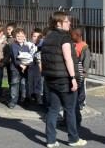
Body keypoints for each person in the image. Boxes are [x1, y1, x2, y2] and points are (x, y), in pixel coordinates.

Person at [41, 11, 87, 147]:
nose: (70, 23)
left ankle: (50, 140)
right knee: (70, 110)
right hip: (64, 79)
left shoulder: (48, 37)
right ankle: (73, 139)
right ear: (59, 23)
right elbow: (68, 58)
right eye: (67, 21)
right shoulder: (64, 38)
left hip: (51, 79)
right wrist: (73, 78)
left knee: (53, 110)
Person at [8, 28, 30, 109]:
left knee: (24, 84)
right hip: (15, 68)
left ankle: (23, 99)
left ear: (25, 37)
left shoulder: (27, 45)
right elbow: (15, 57)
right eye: (18, 36)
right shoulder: (13, 45)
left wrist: (26, 65)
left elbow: (29, 56)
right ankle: (13, 100)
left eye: (22, 36)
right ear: (14, 37)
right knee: (14, 84)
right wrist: (21, 65)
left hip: (25, 68)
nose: (20, 38)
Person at [71, 27, 91, 110]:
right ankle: (74, 102)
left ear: (77, 35)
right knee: (74, 86)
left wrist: (84, 71)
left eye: (73, 35)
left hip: (80, 69)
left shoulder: (84, 46)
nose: (71, 36)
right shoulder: (72, 44)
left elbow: (86, 60)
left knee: (81, 87)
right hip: (73, 68)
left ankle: (81, 102)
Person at [27, 28, 43, 105]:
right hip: (30, 65)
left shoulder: (42, 45)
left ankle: (38, 97)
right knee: (29, 81)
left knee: (38, 81)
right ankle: (29, 97)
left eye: (38, 37)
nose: (36, 38)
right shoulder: (27, 44)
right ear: (31, 36)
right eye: (34, 36)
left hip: (38, 65)